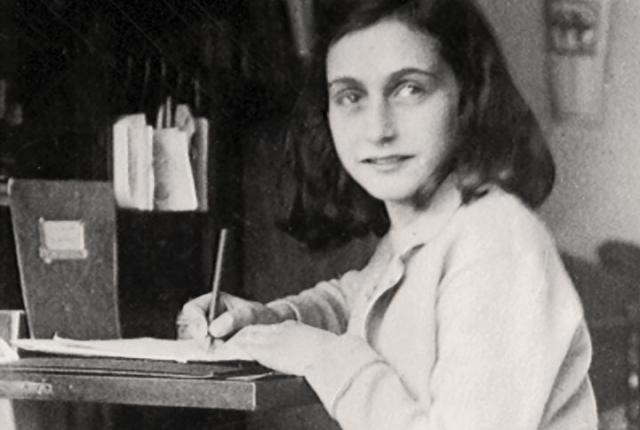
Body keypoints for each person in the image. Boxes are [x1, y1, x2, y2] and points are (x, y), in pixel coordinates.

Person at [178, 0, 598, 428]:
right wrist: (270, 319)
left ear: (468, 96)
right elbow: (361, 301)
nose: (378, 129)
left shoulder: (495, 238)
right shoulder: (418, 233)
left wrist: (322, 355)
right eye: (350, 96)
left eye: (409, 88)